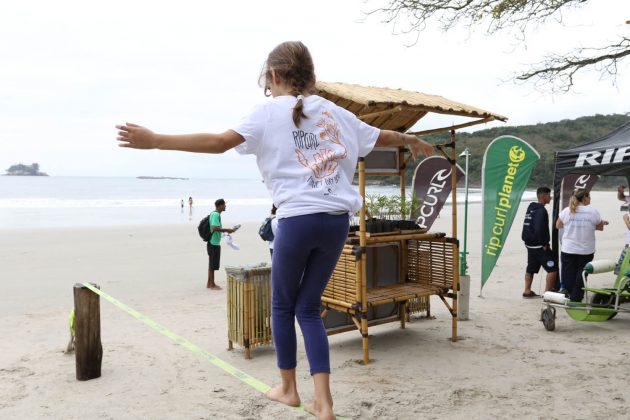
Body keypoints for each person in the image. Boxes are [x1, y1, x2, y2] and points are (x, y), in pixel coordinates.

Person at [116, 40, 433, 420]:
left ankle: (287, 388)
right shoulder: (336, 113)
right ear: (313, 79)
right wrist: (411, 139)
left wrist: (156, 142)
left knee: (283, 305)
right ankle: (326, 403)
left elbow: (219, 142)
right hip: (336, 223)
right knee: (309, 309)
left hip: (297, 221)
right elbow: (381, 137)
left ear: (273, 77)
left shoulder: (267, 113)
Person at [555, 189, 608, 302]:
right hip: (586, 250)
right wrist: (593, 224)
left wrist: (572, 225)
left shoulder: (567, 210)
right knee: (582, 274)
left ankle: (569, 295)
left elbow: (558, 225)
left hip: (568, 249)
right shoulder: (593, 212)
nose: (590, 199)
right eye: (589, 197)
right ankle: (576, 297)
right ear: (584, 197)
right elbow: (600, 227)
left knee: (569, 274)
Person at [521, 186, 558, 298]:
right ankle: (547, 294)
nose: (550, 198)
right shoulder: (541, 211)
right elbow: (539, 229)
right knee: (553, 269)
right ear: (544, 196)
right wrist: (545, 243)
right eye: (549, 195)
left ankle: (527, 290)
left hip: (529, 244)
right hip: (539, 246)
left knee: (531, 268)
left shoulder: (531, 207)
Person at [207, 199, 235, 290]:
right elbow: (214, 228)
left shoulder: (213, 214)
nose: (225, 206)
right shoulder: (216, 214)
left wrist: (225, 232)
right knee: (213, 264)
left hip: (212, 241)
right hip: (213, 242)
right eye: (224, 205)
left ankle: (209, 283)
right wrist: (227, 229)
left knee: (211, 263)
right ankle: (212, 284)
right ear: (220, 206)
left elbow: (215, 229)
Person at [614, 209, 630, 275]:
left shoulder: (627, 216)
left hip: (629, 245)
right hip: (628, 244)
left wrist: (626, 220)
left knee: (624, 268)